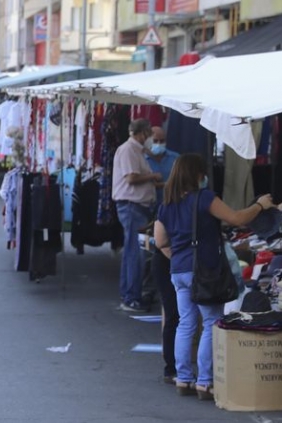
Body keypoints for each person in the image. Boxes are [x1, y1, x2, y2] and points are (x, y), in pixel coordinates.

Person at [153, 154, 276, 400]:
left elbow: (160, 241)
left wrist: (179, 258)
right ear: (197, 174)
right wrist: (260, 205)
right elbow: (237, 218)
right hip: (205, 271)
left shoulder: (167, 204)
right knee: (210, 321)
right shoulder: (204, 198)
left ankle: (184, 378)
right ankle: (205, 382)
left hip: (179, 270)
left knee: (185, 323)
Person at [112, 118, 163, 312]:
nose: (151, 140)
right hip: (132, 207)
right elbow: (132, 178)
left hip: (138, 207)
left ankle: (130, 294)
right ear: (142, 133)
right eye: (150, 135)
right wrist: (154, 176)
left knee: (133, 252)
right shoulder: (128, 150)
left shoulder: (138, 151)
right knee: (136, 253)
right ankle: (131, 297)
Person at [145, 125, 181, 383]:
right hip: (171, 262)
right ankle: (172, 366)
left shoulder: (174, 158)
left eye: (162, 140)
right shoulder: (168, 207)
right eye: (155, 140)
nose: (159, 143)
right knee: (174, 314)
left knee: (181, 316)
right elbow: (160, 242)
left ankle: (177, 365)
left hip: (178, 263)